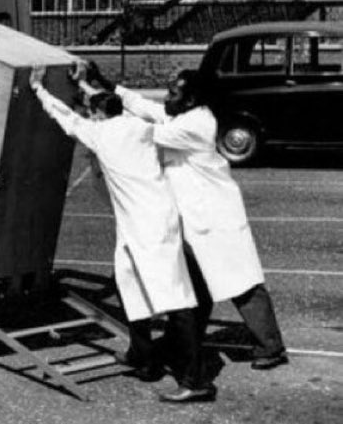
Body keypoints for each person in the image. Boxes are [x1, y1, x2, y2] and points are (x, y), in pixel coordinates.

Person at [30, 66, 215, 403]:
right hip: (147, 219)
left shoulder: (101, 134)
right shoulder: (140, 126)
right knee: (129, 284)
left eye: (92, 112)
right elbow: (117, 105)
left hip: (149, 226)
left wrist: (39, 89)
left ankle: (195, 379)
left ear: (97, 115)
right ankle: (142, 357)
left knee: (174, 297)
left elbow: (67, 118)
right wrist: (84, 84)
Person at [88, 64, 288, 371]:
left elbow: (143, 132)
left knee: (242, 283)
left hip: (215, 218)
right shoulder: (185, 115)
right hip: (194, 218)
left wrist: (95, 110)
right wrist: (106, 85)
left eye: (174, 92)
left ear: (192, 98)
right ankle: (177, 342)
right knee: (193, 286)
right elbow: (147, 108)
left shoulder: (195, 125)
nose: (168, 97)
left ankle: (270, 346)